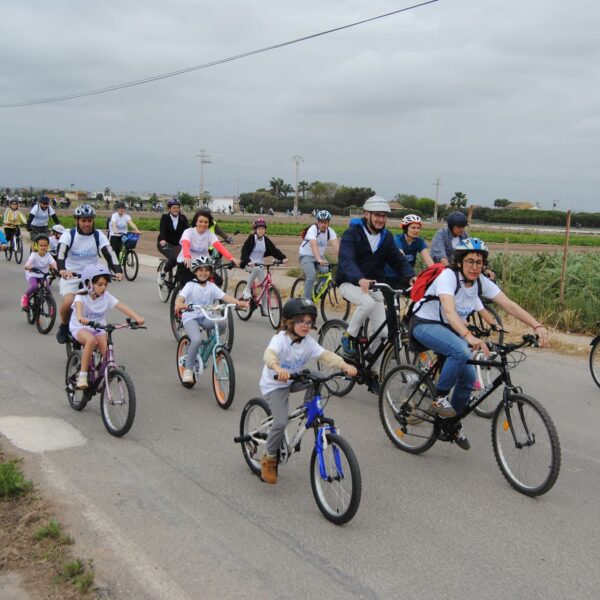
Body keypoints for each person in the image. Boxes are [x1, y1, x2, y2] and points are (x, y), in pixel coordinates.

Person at [410, 238, 549, 450]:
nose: (475, 267)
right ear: (459, 262)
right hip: (425, 324)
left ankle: (451, 423)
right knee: (460, 350)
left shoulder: (480, 282)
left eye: (479, 262)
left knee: (468, 379)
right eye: (470, 261)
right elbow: (449, 311)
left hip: (450, 329)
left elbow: (509, 305)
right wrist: (468, 335)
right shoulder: (448, 276)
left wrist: (537, 325)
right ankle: (439, 397)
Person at [258, 298, 357, 484]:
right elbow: (269, 354)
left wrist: (344, 365)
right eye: (300, 321)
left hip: (294, 379)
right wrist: (278, 368)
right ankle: (269, 458)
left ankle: (308, 408)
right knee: (280, 422)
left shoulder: (308, 342)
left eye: (309, 322)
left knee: (318, 376)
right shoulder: (280, 339)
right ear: (289, 322)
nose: (306, 325)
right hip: (275, 384)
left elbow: (325, 355)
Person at [336, 196, 415, 357]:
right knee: (367, 303)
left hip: (374, 286)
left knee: (383, 333)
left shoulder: (386, 237)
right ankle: (348, 336)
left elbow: (398, 259)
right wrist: (359, 278)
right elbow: (346, 260)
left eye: (384, 216)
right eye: (377, 215)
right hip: (350, 283)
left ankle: (370, 363)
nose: (381, 219)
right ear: (367, 214)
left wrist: (411, 276)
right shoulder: (352, 234)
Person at [174, 256, 249, 384]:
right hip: (191, 317)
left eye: (206, 270)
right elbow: (180, 299)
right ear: (195, 272)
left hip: (205, 316)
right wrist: (180, 304)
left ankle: (210, 346)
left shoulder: (211, 286)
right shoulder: (190, 285)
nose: (203, 273)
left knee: (223, 322)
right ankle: (188, 369)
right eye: (200, 270)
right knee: (196, 340)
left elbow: (225, 297)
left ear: (210, 272)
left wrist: (239, 303)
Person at [55, 204, 123, 344]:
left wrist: (118, 270)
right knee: (68, 302)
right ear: (77, 221)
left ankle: (93, 333)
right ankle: (64, 325)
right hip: (71, 275)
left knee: (95, 306)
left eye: (89, 220)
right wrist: (62, 269)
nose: (86, 224)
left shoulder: (98, 235)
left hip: (91, 277)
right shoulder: (69, 234)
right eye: (83, 220)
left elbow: (109, 253)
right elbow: (61, 253)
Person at [70, 264, 144, 390]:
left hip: (99, 327)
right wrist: (81, 317)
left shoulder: (106, 296)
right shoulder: (80, 296)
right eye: (100, 284)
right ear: (89, 284)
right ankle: (82, 375)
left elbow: (121, 306)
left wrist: (137, 317)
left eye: (105, 284)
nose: (103, 287)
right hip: (80, 326)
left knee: (107, 352)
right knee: (91, 341)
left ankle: (101, 373)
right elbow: (78, 310)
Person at [176, 210, 239, 287]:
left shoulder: (210, 234)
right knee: (187, 286)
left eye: (206, 222)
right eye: (200, 221)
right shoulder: (188, 232)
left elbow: (219, 246)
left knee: (218, 281)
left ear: (209, 224)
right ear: (196, 222)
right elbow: (185, 243)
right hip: (186, 262)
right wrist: (187, 256)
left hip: (202, 263)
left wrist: (231, 257)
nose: (203, 224)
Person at [239, 218, 287, 308]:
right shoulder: (251, 238)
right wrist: (248, 261)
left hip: (259, 265)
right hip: (248, 264)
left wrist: (283, 258)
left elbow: (274, 250)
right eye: (259, 228)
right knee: (256, 269)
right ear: (255, 230)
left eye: (263, 228)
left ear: (265, 230)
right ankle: (247, 289)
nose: (261, 230)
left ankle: (264, 309)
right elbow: (244, 251)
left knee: (265, 287)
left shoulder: (266, 240)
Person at [299, 210, 339, 300]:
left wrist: (343, 260)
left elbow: (336, 246)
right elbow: (313, 245)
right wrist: (318, 259)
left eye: (325, 222)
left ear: (328, 223)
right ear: (318, 222)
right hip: (306, 255)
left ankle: (317, 291)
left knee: (326, 271)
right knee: (311, 275)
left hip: (320, 256)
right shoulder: (313, 229)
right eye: (321, 222)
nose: (323, 225)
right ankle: (306, 301)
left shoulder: (330, 232)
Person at [384, 214, 433, 287]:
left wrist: (436, 271)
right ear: (405, 229)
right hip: (391, 276)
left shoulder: (419, 241)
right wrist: (412, 275)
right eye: (413, 228)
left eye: (418, 228)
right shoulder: (397, 240)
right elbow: (401, 258)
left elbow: (428, 259)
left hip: (407, 276)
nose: (416, 230)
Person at [157, 198, 190, 282]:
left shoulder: (183, 218)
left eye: (177, 208)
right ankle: (163, 272)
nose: (176, 209)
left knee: (184, 259)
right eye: (174, 208)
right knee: (174, 259)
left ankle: (179, 279)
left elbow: (188, 230)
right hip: (165, 243)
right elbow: (162, 229)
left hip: (177, 244)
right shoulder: (165, 217)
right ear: (169, 209)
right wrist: (163, 239)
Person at [21, 234, 57, 309]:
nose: (43, 247)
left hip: (43, 275)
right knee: (34, 286)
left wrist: (56, 268)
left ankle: (51, 305)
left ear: (48, 246)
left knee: (48, 289)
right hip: (32, 273)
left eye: (45, 245)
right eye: (41, 245)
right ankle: (25, 297)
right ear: (36, 246)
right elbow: (28, 263)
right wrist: (28, 266)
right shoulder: (34, 255)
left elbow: (53, 263)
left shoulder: (48, 255)